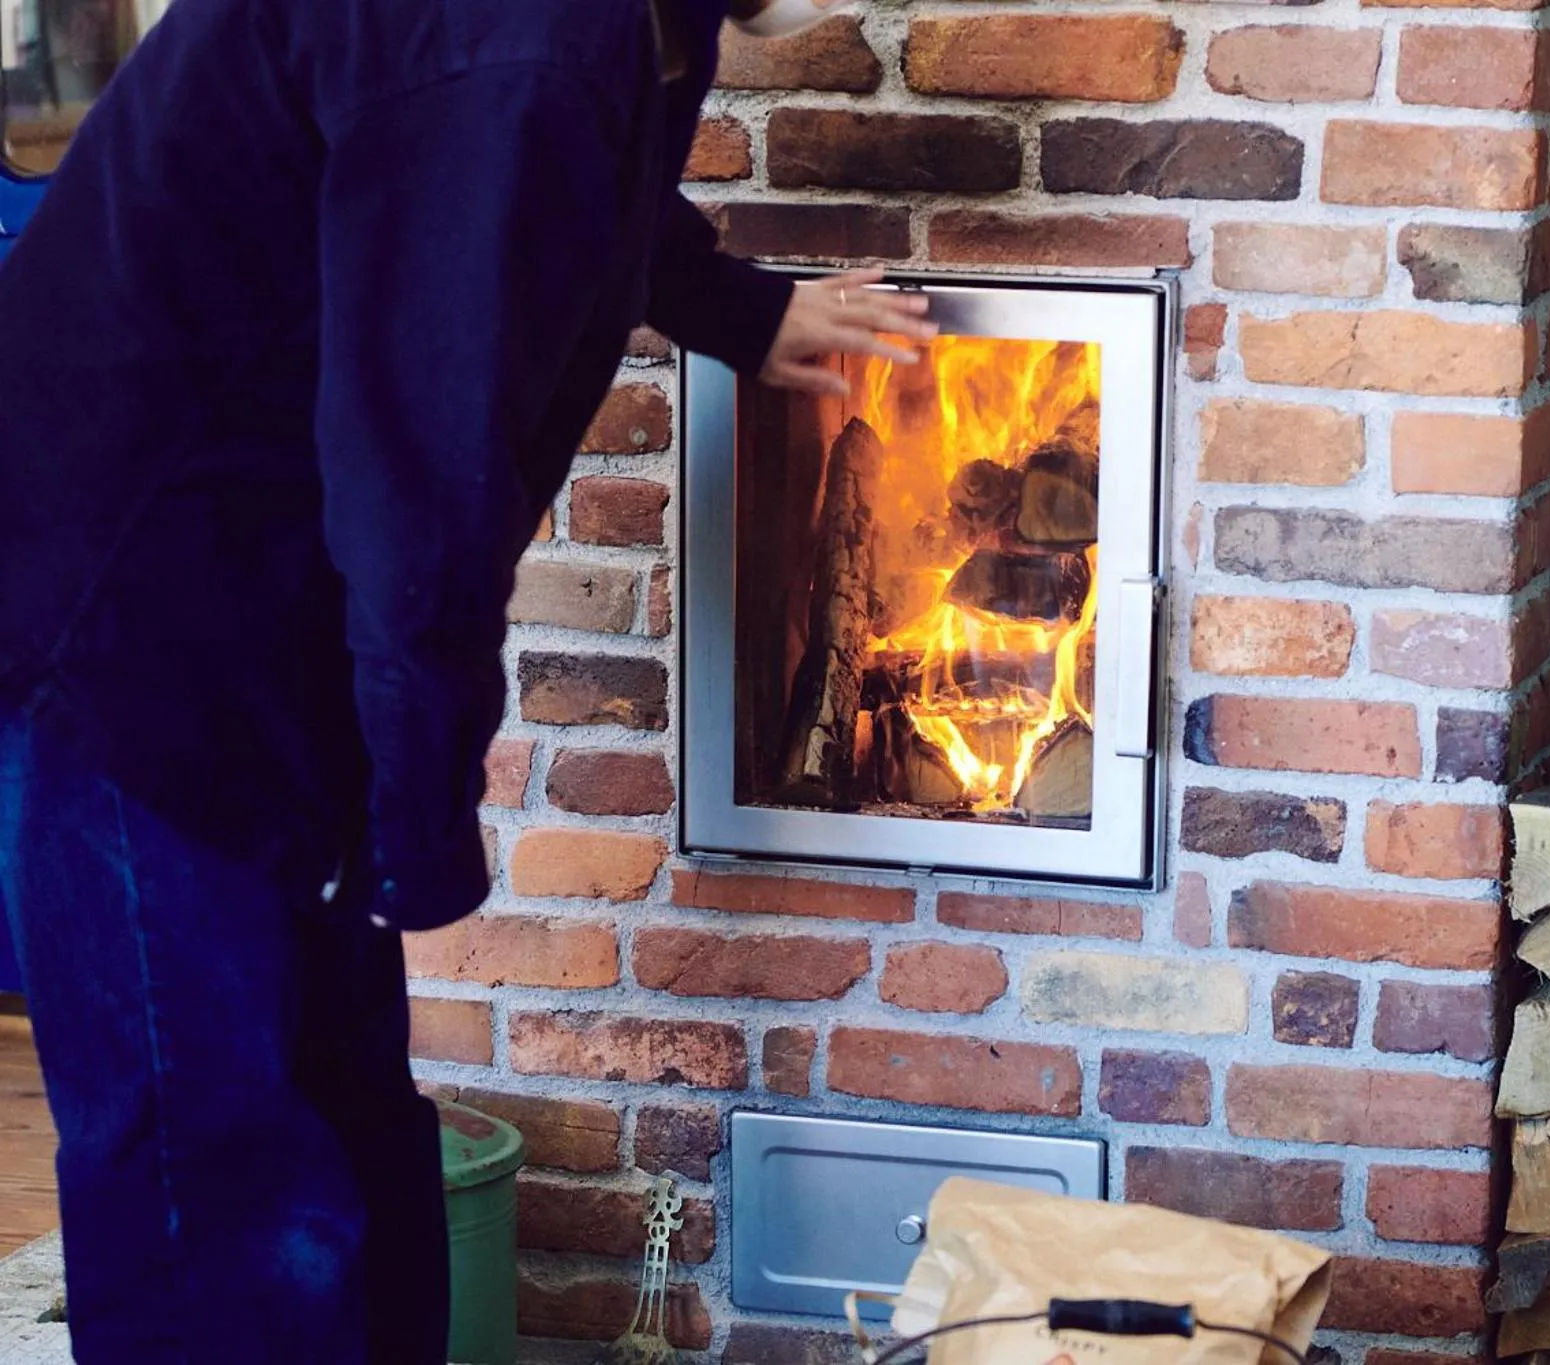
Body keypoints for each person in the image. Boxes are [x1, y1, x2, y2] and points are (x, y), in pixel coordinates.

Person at [0, 0, 930, 1359]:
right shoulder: (523, 38)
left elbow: (519, 188)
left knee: (351, 1140)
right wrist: (418, 825)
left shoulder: (611, 30)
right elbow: (421, 494)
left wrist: (738, 304)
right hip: (131, 625)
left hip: (268, 599)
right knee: (218, 1196)